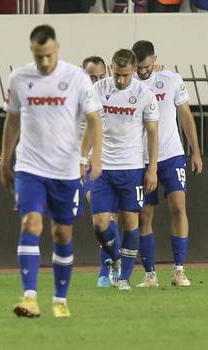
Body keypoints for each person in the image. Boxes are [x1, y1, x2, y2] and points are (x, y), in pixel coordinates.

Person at [0, 25, 103, 318]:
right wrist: (4, 161)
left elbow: (94, 120)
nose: (44, 62)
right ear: (32, 51)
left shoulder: (77, 78)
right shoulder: (19, 78)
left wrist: (96, 157)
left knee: (62, 233)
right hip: (30, 168)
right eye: (38, 56)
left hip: (65, 170)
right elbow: (12, 122)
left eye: (48, 55)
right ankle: (30, 298)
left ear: (57, 46)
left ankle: (60, 300)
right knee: (31, 225)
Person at [82, 49, 159, 291]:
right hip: (102, 167)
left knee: (130, 221)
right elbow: (90, 125)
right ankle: (115, 257)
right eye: (117, 74)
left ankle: (124, 278)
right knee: (100, 223)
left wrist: (152, 169)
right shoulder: (98, 89)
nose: (121, 80)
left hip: (132, 167)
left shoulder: (145, 94)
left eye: (125, 75)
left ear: (134, 71)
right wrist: (82, 158)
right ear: (112, 69)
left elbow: (153, 134)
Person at [132, 40, 203, 288]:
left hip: (172, 154)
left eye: (146, 66)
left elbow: (185, 115)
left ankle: (179, 270)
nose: (142, 71)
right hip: (140, 158)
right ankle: (150, 274)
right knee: (143, 216)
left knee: (179, 207)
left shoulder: (171, 79)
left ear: (154, 60)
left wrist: (195, 151)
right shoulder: (127, 85)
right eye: (138, 67)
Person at [81, 54, 119, 288]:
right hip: (81, 165)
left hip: (109, 163)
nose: (95, 81)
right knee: (101, 217)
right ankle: (112, 263)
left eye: (99, 76)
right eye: (90, 76)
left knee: (108, 218)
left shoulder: (112, 95)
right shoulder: (72, 97)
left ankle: (109, 268)